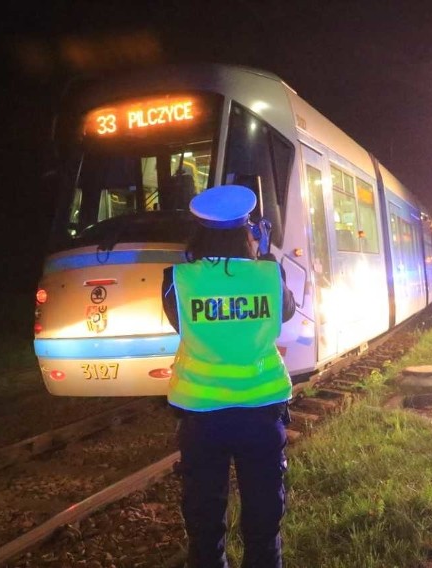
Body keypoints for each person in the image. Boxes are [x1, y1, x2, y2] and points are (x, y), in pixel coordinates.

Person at [161, 184, 296, 568]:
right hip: (261, 412)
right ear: (248, 230)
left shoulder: (177, 279)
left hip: (202, 417)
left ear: (197, 232)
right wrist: (264, 253)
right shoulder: (269, 274)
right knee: (264, 520)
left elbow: (180, 324)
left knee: (204, 525)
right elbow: (285, 313)